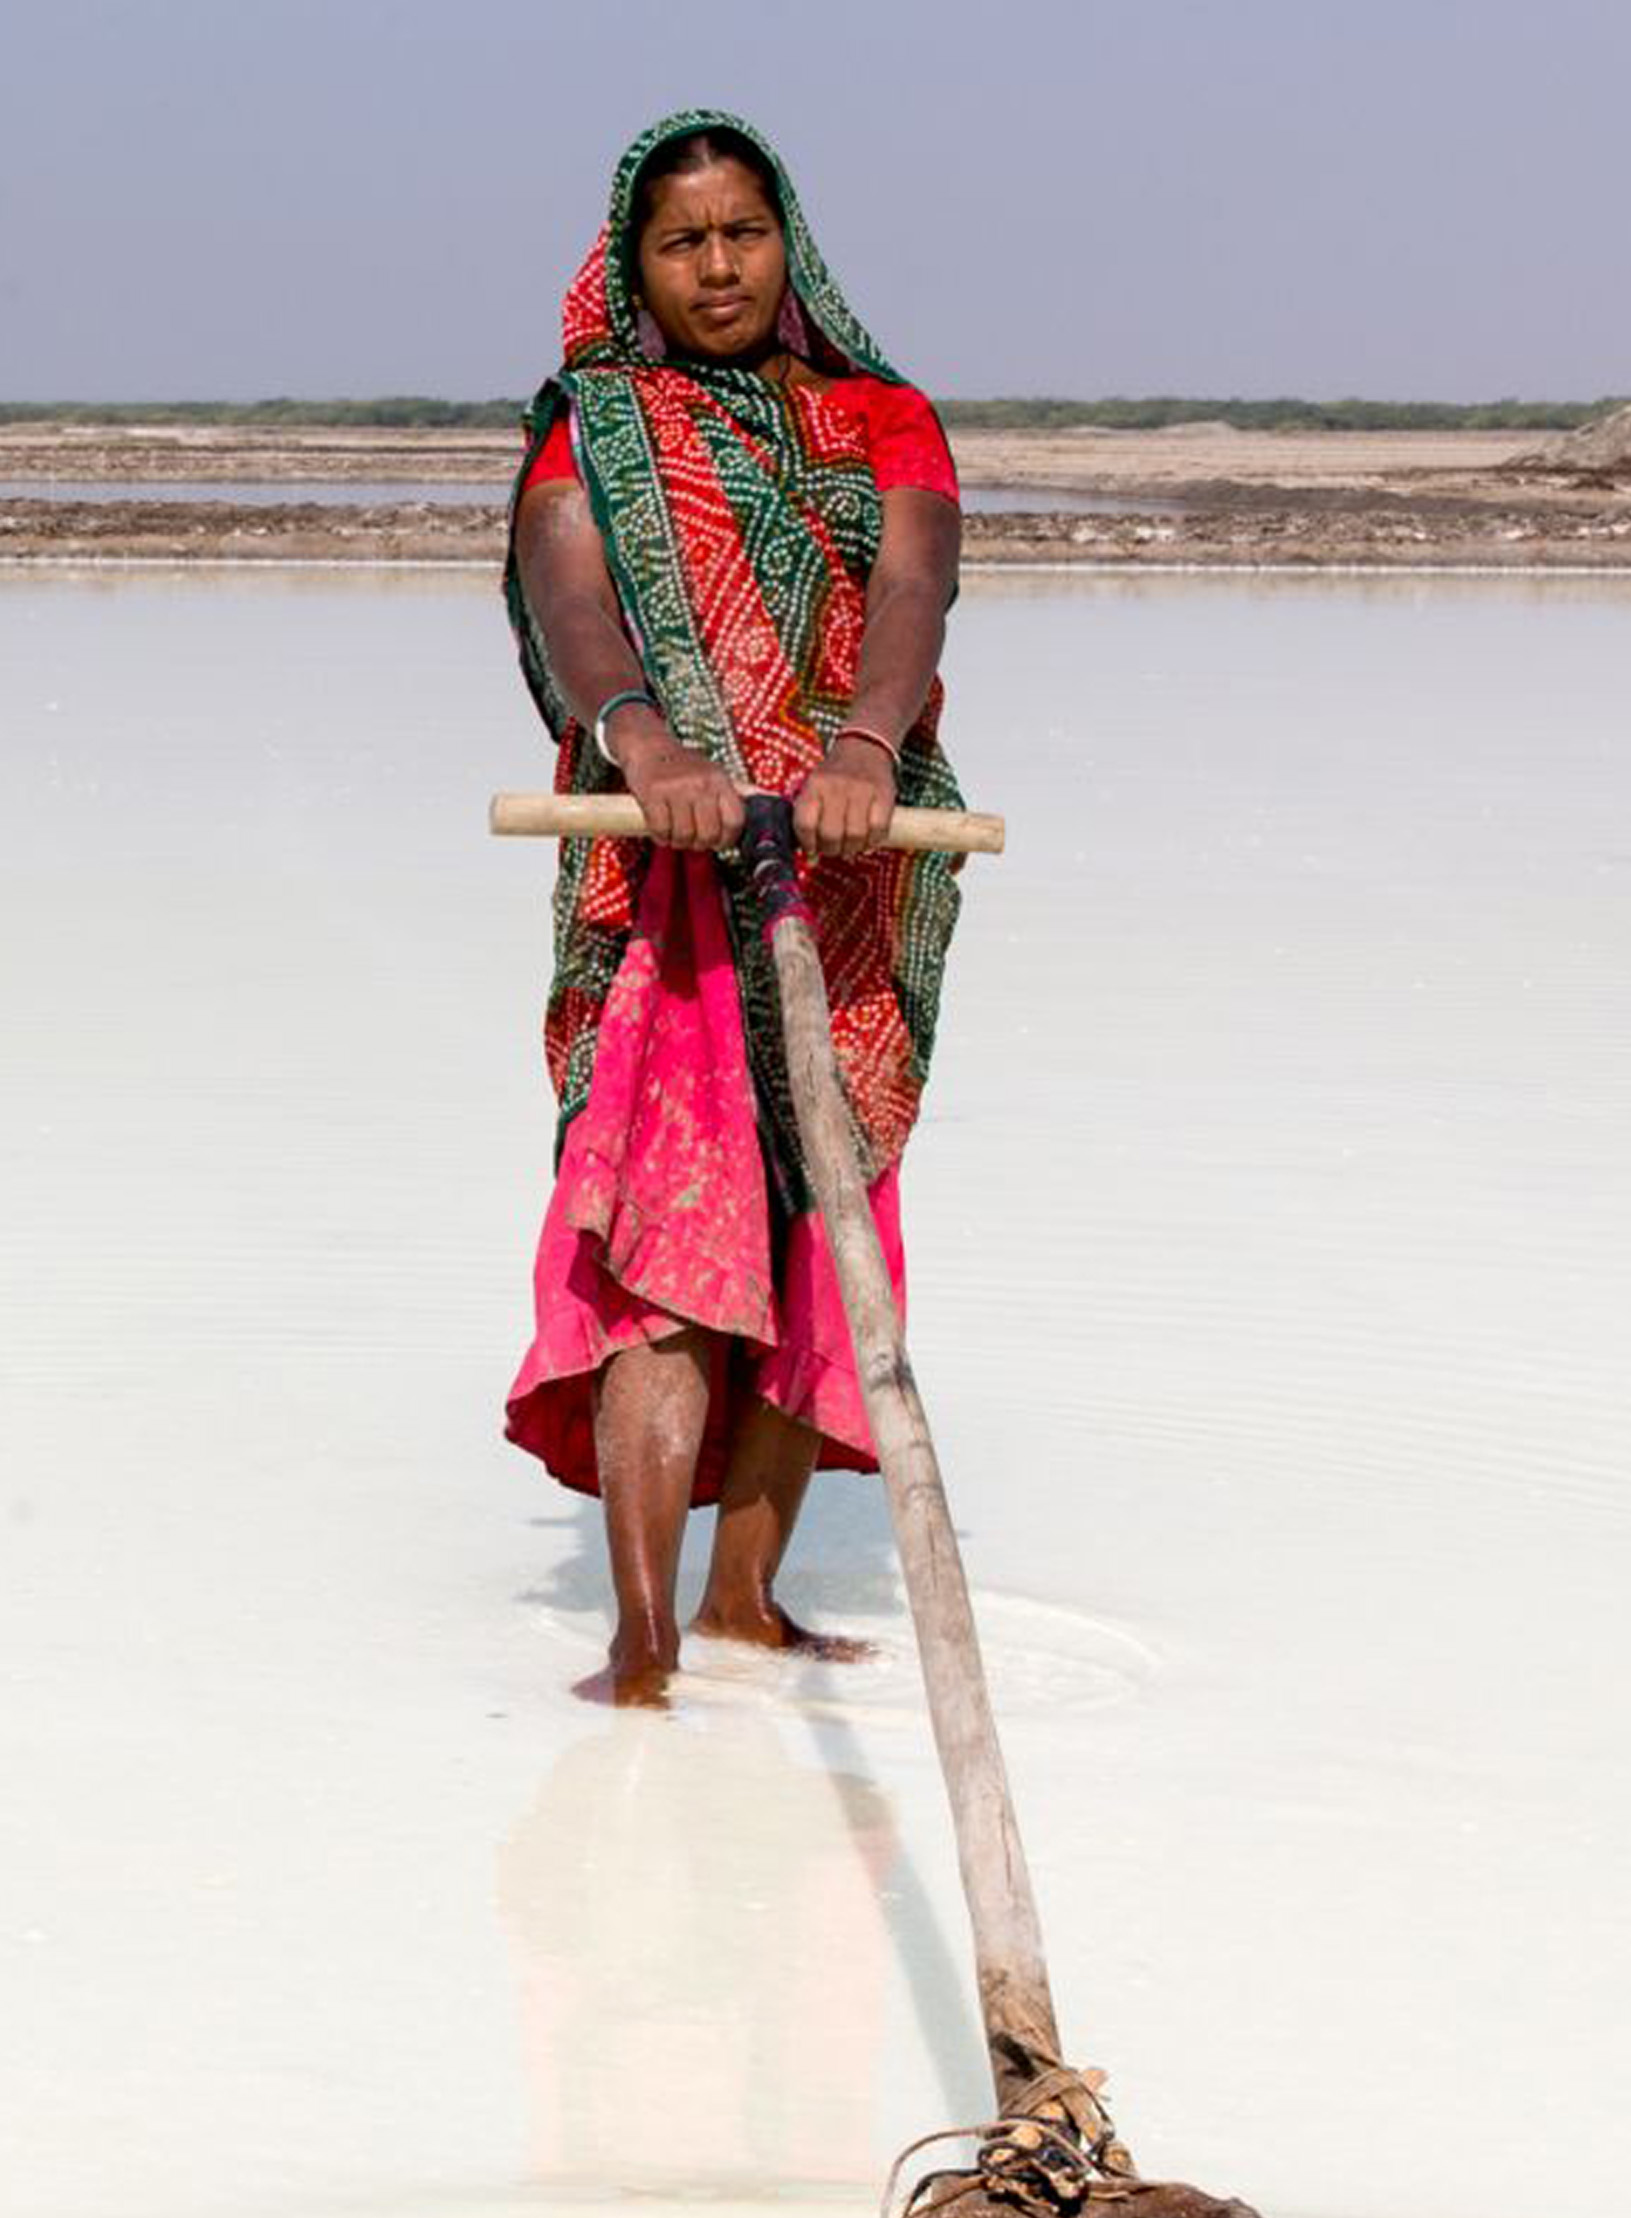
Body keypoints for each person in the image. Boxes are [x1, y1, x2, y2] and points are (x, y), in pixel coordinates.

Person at [502, 110, 969, 1709]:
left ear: (792, 241)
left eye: (744, 232)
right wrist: (644, 738)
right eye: (682, 241)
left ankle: (746, 1605)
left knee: (831, 1230)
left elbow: (913, 585)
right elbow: (572, 590)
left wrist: (859, 746)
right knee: (670, 1234)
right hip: (671, 876)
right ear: (635, 268)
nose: (718, 265)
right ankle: (640, 1642)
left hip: (847, 863)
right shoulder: (600, 425)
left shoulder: (881, 415)